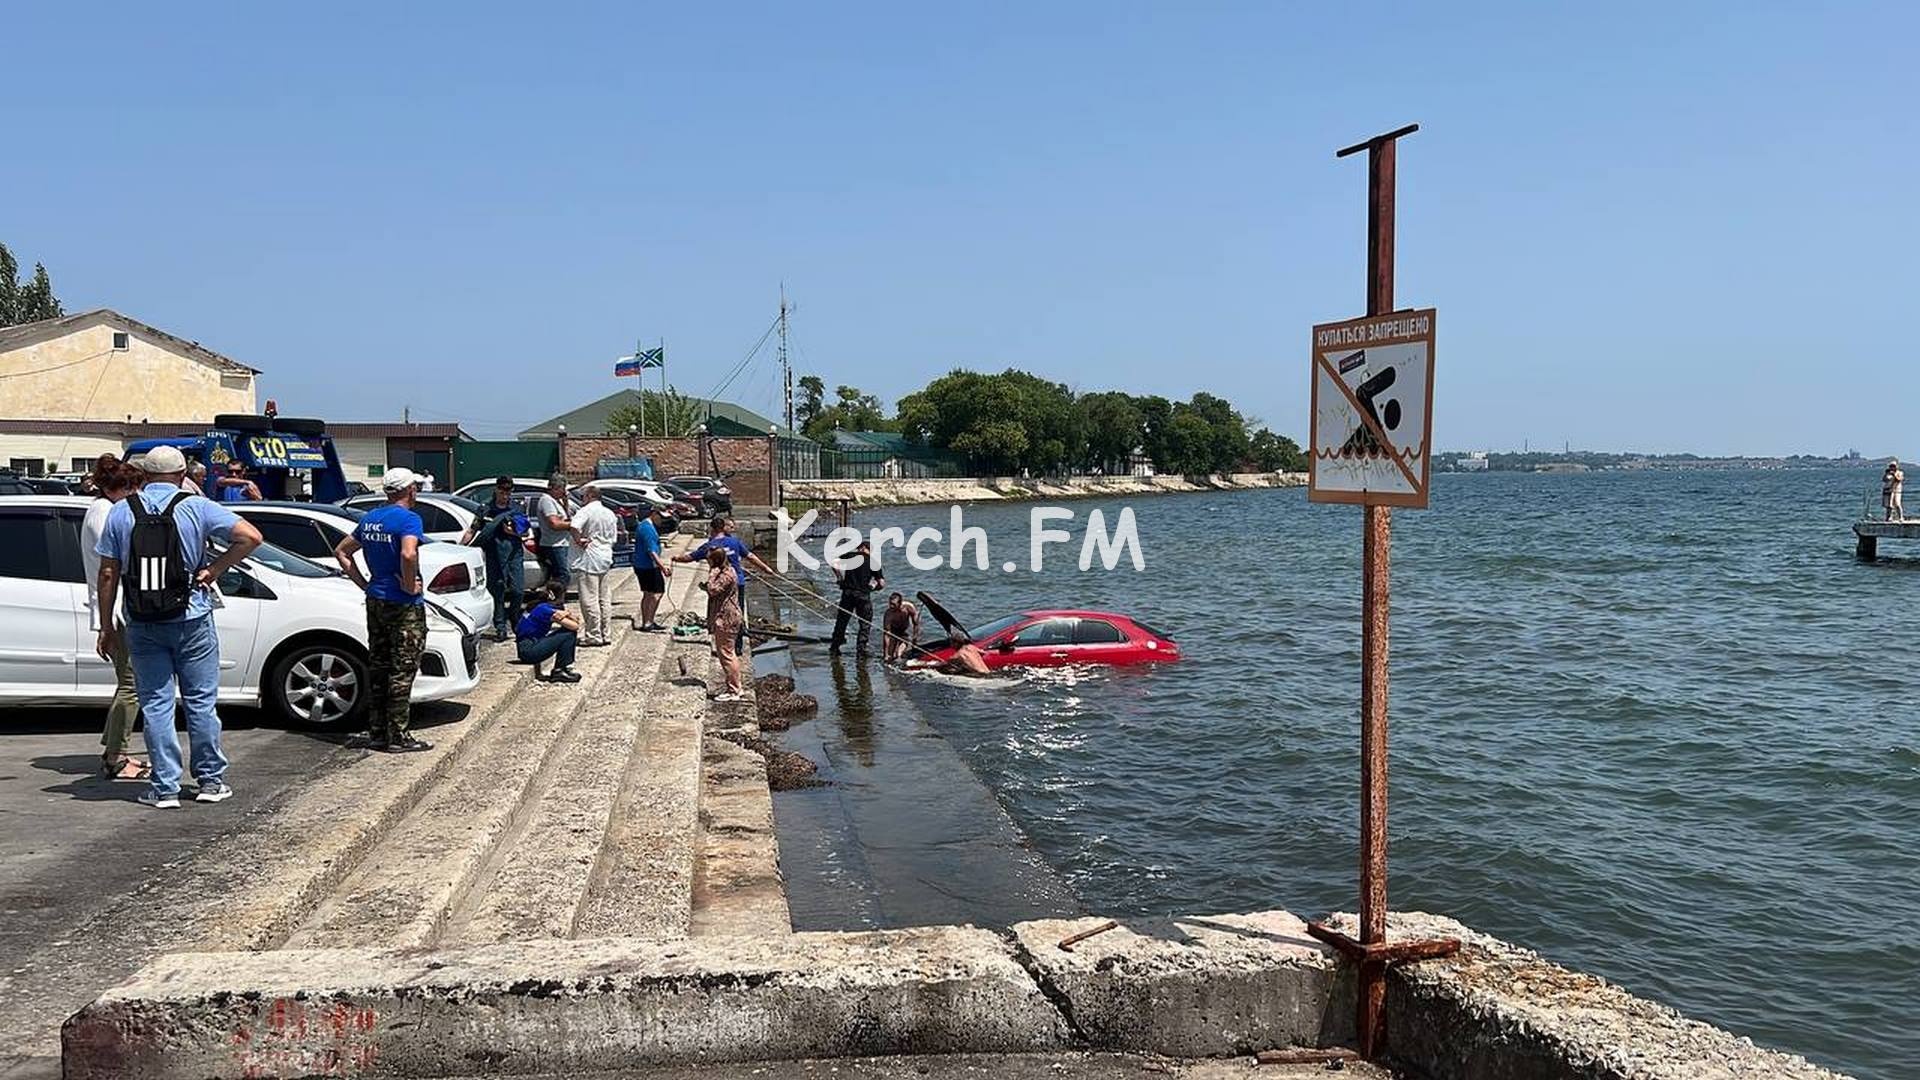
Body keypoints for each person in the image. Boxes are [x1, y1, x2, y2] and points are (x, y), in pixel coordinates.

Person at [94, 445, 263, 809]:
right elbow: (251, 536)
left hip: (141, 619)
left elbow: (108, 572)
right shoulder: (196, 506)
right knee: (200, 702)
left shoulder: (121, 512)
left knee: (156, 704)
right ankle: (210, 781)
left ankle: (164, 787)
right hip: (192, 616)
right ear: (182, 473)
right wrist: (216, 568)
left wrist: (106, 625)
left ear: (144, 474)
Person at [332, 467, 432, 753]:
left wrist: (364, 583)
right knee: (403, 668)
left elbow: (342, 552)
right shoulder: (409, 519)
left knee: (379, 666)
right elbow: (408, 552)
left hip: (376, 599)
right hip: (403, 604)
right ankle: (398, 735)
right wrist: (410, 582)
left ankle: (377, 731)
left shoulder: (371, 519)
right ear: (410, 489)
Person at [82, 455, 148, 781]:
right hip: (120, 610)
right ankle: (116, 757)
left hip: (116, 609)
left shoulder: (101, 510)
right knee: (131, 686)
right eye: (135, 488)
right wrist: (106, 626)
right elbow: (111, 570)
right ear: (122, 487)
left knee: (127, 683)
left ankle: (113, 748)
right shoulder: (107, 515)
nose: (137, 496)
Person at [674, 517, 777, 651]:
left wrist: (676, 558)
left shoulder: (710, 546)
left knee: (718, 613)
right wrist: (766, 569)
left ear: (712, 529)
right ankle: (738, 646)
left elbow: (689, 558)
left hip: (719, 584)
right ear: (723, 528)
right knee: (737, 613)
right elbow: (751, 557)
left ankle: (722, 643)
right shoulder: (735, 542)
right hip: (737, 582)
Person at [463, 476, 526, 641]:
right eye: (502, 490)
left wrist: (511, 531)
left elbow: (524, 532)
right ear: (496, 490)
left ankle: (514, 618)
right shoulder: (485, 510)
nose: (505, 494)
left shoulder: (517, 508)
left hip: (514, 553)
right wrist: (461, 547)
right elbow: (473, 530)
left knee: (518, 590)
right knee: (497, 591)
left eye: (508, 491)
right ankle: (500, 627)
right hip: (494, 554)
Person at [570, 484, 618, 646]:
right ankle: (606, 633)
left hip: (590, 557)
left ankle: (593, 635)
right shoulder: (609, 513)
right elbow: (614, 538)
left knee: (589, 599)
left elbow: (574, 526)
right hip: (605, 556)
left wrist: (578, 540)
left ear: (589, 496)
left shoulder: (586, 511)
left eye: (583, 496)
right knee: (604, 598)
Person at [699, 547, 745, 701]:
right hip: (727, 616)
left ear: (715, 561)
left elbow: (713, 589)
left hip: (727, 618)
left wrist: (711, 576)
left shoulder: (725, 574)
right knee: (728, 653)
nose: (708, 563)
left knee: (726, 654)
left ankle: (734, 690)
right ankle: (736, 686)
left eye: (709, 560)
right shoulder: (727, 571)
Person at [828, 539, 884, 656]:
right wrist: (874, 589)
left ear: (861, 548)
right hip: (863, 595)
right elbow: (881, 583)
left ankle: (835, 646)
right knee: (865, 622)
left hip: (848, 593)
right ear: (867, 549)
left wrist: (839, 577)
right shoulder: (873, 562)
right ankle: (861, 648)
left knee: (842, 620)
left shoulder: (850, 556)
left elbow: (833, 562)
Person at [516, 584, 582, 682]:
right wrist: (566, 614)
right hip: (529, 650)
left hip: (526, 646)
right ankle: (559, 669)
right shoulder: (545, 610)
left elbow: (575, 620)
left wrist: (566, 613)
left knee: (566, 632)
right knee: (568, 634)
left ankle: (562, 669)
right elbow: (575, 626)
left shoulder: (539, 606)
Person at [633, 503, 672, 631]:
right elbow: (651, 551)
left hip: (644, 565)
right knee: (656, 593)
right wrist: (662, 567)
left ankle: (648, 621)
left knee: (649, 593)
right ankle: (648, 621)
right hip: (648, 566)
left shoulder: (646, 526)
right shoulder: (647, 529)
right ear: (654, 514)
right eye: (660, 517)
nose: (662, 520)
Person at [534, 475, 575, 595]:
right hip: (553, 544)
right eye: (563, 489)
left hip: (562, 543)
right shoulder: (546, 500)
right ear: (556, 488)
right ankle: (555, 598)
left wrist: (565, 503)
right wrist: (574, 525)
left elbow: (566, 518)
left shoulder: (558, 502)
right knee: (563, 574)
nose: (564, 492)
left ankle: (556, 597)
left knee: (560, 573)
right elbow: (554, 524)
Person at [882, 592, 921, 664]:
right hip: (893, 632)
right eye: (890, 604)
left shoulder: (909, 607)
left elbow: (916, 624)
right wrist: (885, 653)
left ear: (900, 603)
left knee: (898, 654)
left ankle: (902, 661)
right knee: (890, 657)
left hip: (904, 632)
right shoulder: (888, 614)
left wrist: (915, 639)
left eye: (894, 604)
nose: (891, 606)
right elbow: (886, 634)